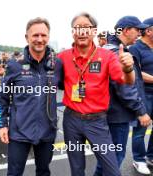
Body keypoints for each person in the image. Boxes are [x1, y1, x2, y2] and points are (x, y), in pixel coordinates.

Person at [57, 12, 135, 176]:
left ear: (94, 31)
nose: (82, 32)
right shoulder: (62, 57)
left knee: (112, 170)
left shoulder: (107, 56)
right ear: (73, 32)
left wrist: (128, 69)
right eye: (78, 28)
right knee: (77, 170)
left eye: (86, 27)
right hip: (71, 120)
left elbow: (125, 80)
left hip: (97, 122)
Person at [0, 17, 63, 176]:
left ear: (48, 36)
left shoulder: (57, 64)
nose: (40, 39)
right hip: (19, 132)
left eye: (43, 35)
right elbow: (2, 98)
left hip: (47, 131)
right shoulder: (14, 65)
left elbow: (71, 86)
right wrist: (2, 124)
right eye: (35, 35)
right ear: (27, 37)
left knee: (44, 171)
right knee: (14, 173)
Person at [94, 16, 151, 176]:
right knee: (115, 158)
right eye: (138, 30)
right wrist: (141, 111)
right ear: (126, 30)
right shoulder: (117, 53)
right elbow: (124, 87)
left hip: (104, 112)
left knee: (105, 159)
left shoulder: (106, 49)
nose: (140, 34)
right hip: (117, 115)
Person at [129, 17, 153, 174]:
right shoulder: (135, 48)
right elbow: (135, 73)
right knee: (140, 129)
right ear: (149, 31)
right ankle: (138, 159)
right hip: (145, 93)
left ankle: (151, 156)